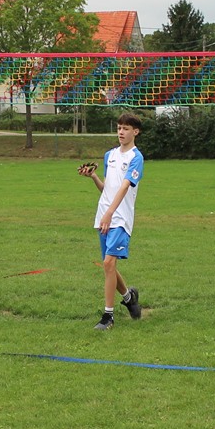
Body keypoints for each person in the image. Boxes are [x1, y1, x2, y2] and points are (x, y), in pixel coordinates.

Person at [79, 112, 144, 329]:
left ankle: (108, 316)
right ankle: (129, 298)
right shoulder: (110, 155)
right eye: (119, 128)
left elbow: (124, 188)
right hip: (104, 216)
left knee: (108, 263)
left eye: (126, 129)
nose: (121, 132)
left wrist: (110, 213)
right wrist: (94, 177)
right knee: (109, 266)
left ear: (135, 132)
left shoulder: (136, 158)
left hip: (120, 218)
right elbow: (108, 188)